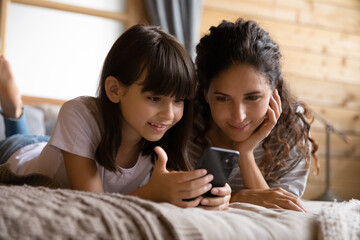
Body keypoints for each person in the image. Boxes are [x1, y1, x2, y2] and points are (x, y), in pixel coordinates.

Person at [0, 24, 230, 210]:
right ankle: (14, 109)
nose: (169, 115)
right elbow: (92, 205)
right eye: (154, 98)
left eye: (178, 100)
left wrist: (209, 197)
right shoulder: (78, 112)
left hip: (51, 148)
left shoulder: (163, 136)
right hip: (20, 152)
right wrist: (153, 193)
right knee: (23, 139)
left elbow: (175, 192)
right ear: (114, 89)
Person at [189, 19, 319, 212]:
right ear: (206, 94)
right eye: (223, 99)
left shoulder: (291, 133)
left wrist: (245, 154)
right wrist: (239, 197)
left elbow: (279, 208)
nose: (239, 116)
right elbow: (176, 196)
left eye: (252, 97)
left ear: (274, 90)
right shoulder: (186, 125)